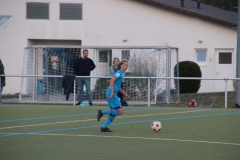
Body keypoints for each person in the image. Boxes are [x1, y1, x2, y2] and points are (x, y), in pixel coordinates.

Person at [97, 60, 130, 132]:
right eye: (125, 65)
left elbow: (118, 87)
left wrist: (124, 93)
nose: (126, 66)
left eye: (127, 65)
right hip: (112, 94)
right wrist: (112, 92)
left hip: (112, 93)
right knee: (120, 111)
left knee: (114, 112)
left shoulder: (122, 74)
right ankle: (102, 112)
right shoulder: (119, 73)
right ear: (121, 65)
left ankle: (104, 127)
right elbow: (111, 81)